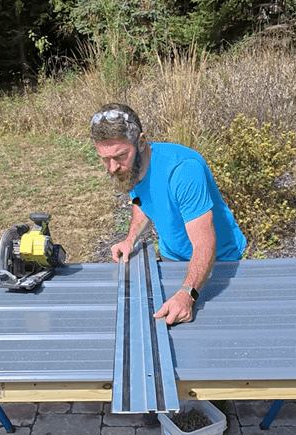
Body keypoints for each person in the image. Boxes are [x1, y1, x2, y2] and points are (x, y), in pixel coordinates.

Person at [90, 103, 247, 325]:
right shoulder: (132, 169)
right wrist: (130, 239)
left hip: (219, 262)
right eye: (105, 159)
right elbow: (141, 200)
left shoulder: (183, 170)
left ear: (141, 142)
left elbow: (205, 244)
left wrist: (187, 294)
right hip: (173, 257)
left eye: (121, 156)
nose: (113, 167)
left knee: (219, 329)